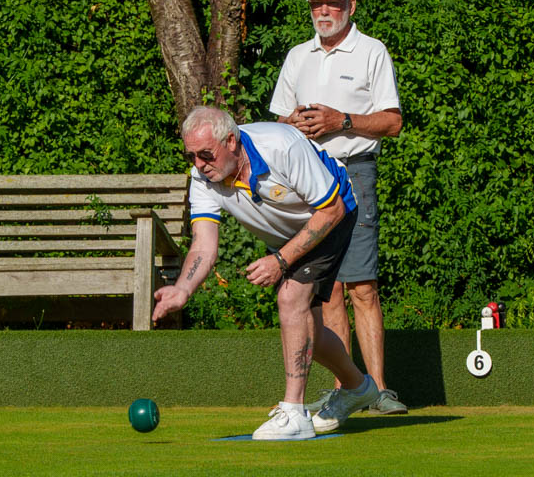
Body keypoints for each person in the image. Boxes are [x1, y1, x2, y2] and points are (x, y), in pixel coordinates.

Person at [152, 106, 379, 440]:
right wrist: (183, 288)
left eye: (205, 154)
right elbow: (203, 246)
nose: (199, 164)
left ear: (230, 141)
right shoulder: (203, 178)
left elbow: (331, 209)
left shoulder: (281, 145)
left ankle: (294, 413)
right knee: (309, 330)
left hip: (331, 213)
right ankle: (358, 388)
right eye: (192, 156)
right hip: (293, 231)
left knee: (290, 296)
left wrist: (281, 261)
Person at [269, 0, 407, 430]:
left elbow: (392, 122)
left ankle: (380, 389)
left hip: (354, 172)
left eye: (331, 3)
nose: (322, 11)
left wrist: (340, 121)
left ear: (351, 6)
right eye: (315, 4)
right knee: (326, 293)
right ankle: (344, 388)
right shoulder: (296, 56)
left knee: (362, 285)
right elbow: (277, 122)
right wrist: (296, 123)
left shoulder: (372, 51)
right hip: (307, 181)